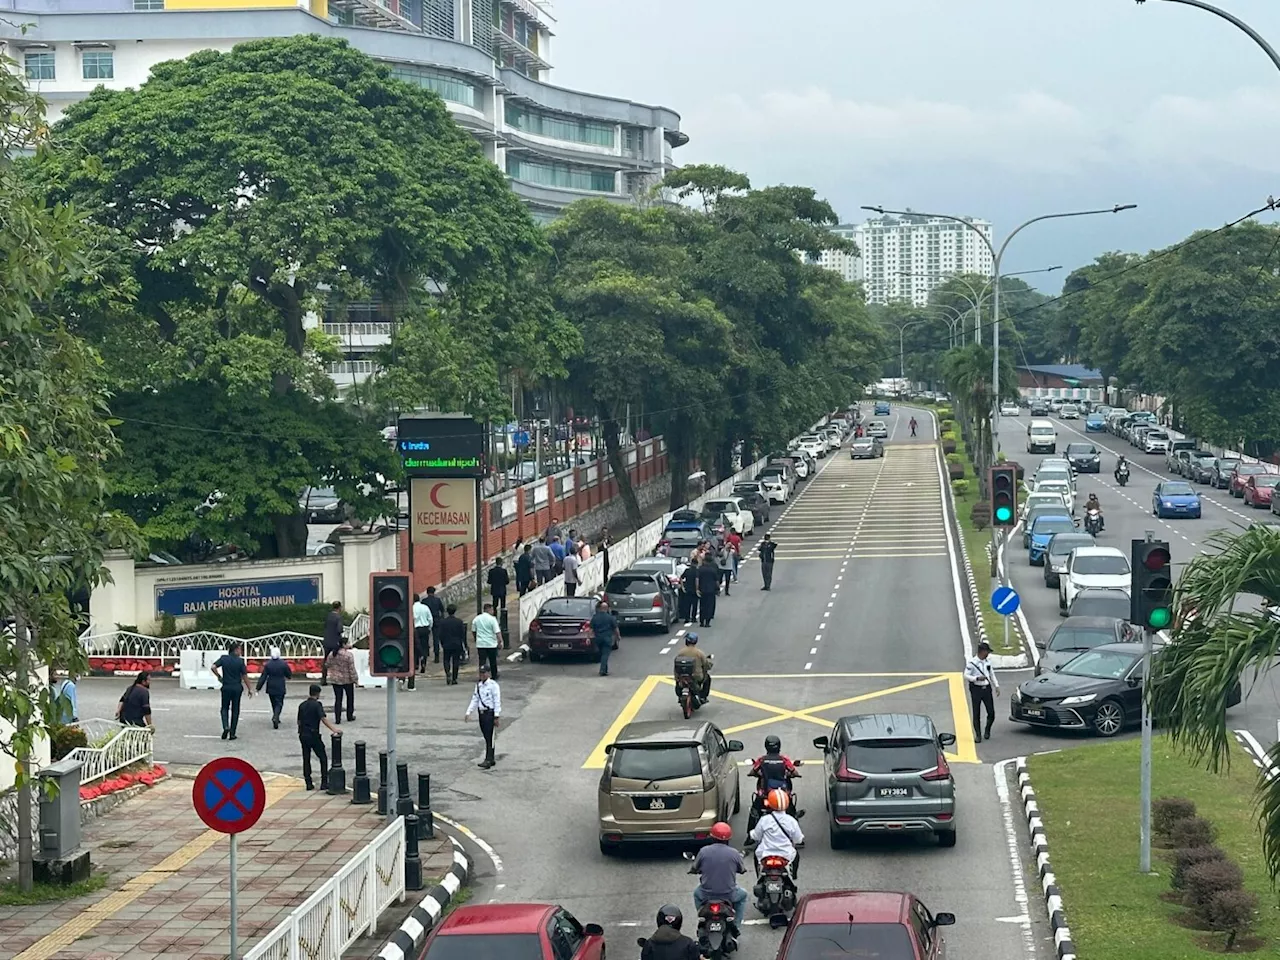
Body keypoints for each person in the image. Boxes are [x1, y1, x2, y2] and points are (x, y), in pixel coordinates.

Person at [692, 822, 748, 928]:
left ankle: (702, 917)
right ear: (728, 839)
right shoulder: (734, 853)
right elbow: (742, 869)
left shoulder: (704, 851)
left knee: (696, 893)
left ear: (712, 837)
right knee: (743, 895)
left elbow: (694, 868)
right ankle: (736, 925)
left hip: (706, 894)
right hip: (729, 894)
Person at [748, 789, 804, 880]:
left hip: (765, 854)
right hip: (786, 854)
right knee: (796, 855)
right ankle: (794, 876)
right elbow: (798, 839)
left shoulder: (764, 820)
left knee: (756, 855)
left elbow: (756, 836)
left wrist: (751, 834)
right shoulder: (791, 821)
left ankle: (759, 877)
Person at [297, 683, 341, 791]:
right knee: (322, 757)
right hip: (313, 734)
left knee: (306, 758)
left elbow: (299, 721)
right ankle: (324, 782)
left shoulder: (302, 705)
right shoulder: (317, 705)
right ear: (318, 693)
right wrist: (334, 729)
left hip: (303, 734)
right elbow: (323, 719)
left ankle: (308, 782)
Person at [212, 641, 252, 741]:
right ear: (236, 650)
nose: (241, 651)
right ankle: (232, 733)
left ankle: (225, 726)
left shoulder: (224, 658)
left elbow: (213, 667)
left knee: (224, 708)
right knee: (235, 710)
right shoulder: (240, 661)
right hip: (237, 687)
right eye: (240, 649)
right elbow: (244, 676)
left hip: (226, 686)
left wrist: (219, 676)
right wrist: (249, 688)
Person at [465, 662, 501, 769]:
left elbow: (497, 701)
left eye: (484, 673)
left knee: (490, 737)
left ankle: (488, 759)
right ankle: (491, 758)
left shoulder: (493, 686)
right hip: (481, 713)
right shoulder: (479, 686)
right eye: (481, 673)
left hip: (490, 713)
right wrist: (468, 712)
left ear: (489, 673)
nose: (482, 675)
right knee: (486, 736)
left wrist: (496, 716)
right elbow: (475, 699)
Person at [964, 641, 1000, 741]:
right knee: (976, 713)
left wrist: (996, 686)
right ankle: (978, 735)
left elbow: (991, 674)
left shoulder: (987, 662)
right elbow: (966, 675)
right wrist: (976, 678)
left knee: (991, 713)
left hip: (987, 689)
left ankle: (987, 730)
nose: (988, 654)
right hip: (976, 689)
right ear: (982, 651)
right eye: (987, 651)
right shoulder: (972, 663)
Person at [256, 647, 293, 729]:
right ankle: (276, 717)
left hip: (271, 685)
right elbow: (288, 674)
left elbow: (263, 677)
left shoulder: (268, 664)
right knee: (279, 703)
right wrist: (289, 676)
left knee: (273, 702)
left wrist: (258, 687)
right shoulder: (283, 664)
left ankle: (275, 716)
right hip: (280, 685)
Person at [673, 632, 712, 701]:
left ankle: (680, 696)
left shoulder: (681, 652)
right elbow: (706, 665)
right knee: (707, 678)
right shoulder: (699, 653)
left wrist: (676, 678)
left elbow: (676, 665)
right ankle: (703, 696)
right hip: (696, 677)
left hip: (681, 676)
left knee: (678, 682)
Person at [328, 636, 358, 723]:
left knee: (338, 699)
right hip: (347, 679)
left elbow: (327, 664)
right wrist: (355, 680)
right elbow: (351, 669)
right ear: (344, 644)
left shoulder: (332, 654)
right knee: (350, 698)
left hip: (335, 679)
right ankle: (349, 715)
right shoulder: (348, 655)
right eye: (348, 643)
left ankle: (338, 718)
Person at [590, 599, 620, 676]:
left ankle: (605, 670)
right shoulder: (610, 618)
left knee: (602, 654)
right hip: (607, 638)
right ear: (606, 609)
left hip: (598, 638)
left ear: (599, 608)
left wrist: (588, 637)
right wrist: (618, 636)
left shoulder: (595, 617)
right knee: (605, 654)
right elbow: (615, 628)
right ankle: (602, 670)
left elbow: (591, 629)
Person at [472, 602, 502, 679]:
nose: (493, 611)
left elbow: (473, 630)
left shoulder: (477, 619)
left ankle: (481, 676)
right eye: (492, 609)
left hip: (481, 643)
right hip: (491, 643)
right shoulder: (492, 619)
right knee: (493, 661)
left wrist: (476, 639)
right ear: (488, 609)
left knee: (482, 661)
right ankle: (494, 675)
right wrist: (500, 641)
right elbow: (497, 632)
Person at [439, 604, 466, 684]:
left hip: (447, 643)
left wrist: (442, 643)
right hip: (457, 643)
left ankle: (448, 673)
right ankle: (454, 678)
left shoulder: (443, 622)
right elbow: (462, 634)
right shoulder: (459, 621)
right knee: (456, 661)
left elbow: (440, 634)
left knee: (446, 659)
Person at [321, 600, 343, 685]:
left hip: (327, 641)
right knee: (338, 660)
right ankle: (338, 678)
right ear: (339, 608)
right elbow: (339, 629)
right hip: (335, 642)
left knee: (326, 660)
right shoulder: (338, 617)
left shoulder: (328, 616)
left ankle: (323, 679)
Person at [696, 554, 720, 628]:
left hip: (702, 590)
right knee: (709, 606)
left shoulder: (700, 569)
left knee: (702, 606)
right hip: (711, 590)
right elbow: (716, 581)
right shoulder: (713, 570)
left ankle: (701, 622)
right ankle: (707, 622)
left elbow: (697, 579)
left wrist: (697, 589)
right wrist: (718, 589)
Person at [413, 592, 434, 674]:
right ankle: (423, 662)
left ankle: (416, 663)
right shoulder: (425, 607)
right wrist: (429, 628)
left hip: (415, 629)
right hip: (425, 628)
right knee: (425, 646)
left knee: (415, 647)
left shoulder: (412, 608)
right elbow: (430, 619)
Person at [424, 586, 446, 663]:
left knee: (426, 638)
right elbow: (442, 610)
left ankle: (426, 654)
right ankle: (437, 656)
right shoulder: (437, 600)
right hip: (436, 620)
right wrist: (442, 619)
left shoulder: (424, 601)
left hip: (426, 621)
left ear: (427, 592)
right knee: (436, 638)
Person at [678, 558, 699, 624]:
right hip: (694, 590)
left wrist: (682, 587)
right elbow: (697, 581)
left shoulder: (687, 570)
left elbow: (681, 578)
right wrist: (697, 589)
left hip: (687, 589)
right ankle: (693, 618)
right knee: (694, 605)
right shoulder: (697, 571)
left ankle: (687, 618)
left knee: (687, 605)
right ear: (697, 564)